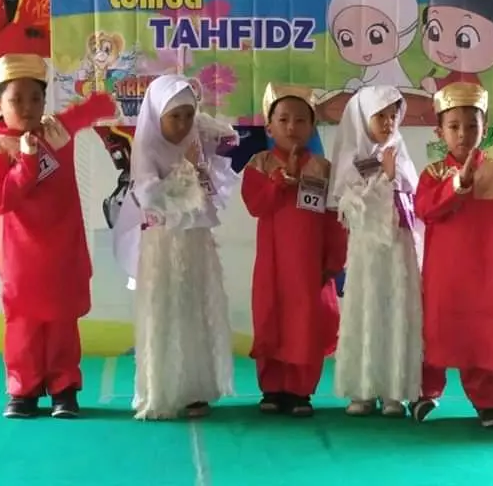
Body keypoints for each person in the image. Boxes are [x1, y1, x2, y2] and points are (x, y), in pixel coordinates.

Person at [0, 53, 118, 419]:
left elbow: (98, 107)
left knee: (62, 321)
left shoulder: (56, 131)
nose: (27, 107)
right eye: (16, 99)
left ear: (45, 102)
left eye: (35, 98)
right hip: (19, 254)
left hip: (62, 250)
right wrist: (27, 162)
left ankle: (63, 388)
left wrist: (109, 78)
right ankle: (23, 391)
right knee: (22, 324)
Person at [409, 81, 493, 428]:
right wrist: (458, 185)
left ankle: (486, 402)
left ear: (485, 128)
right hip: (443, 274)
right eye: (454, 126)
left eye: (472, 125)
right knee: (436, 330)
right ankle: (426, 392)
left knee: (480, 334)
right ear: (439, 131)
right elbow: (425, 209)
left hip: (484, 273)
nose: (463, 134)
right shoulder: (433, 174)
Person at [112, 74, 237, 420]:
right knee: (165, 313)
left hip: (195, 242)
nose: (183, 124)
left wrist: (203, 156)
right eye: (174, 116)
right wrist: (189, 169)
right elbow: (151, 195)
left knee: (195, 312)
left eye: (188, 115)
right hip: (163, 246)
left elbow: (217, 173)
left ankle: (195, 388)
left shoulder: (196, 139)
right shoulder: (147, 148)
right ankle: (162, 389)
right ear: (157, 116)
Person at [242, 83, 347, 417]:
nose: (292, 127)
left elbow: (335, 218)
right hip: (273, 265)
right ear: (269, 127)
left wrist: (334, 260)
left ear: (312, 126)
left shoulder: (322, 168)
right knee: (270, 319)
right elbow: (255, 205)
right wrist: (278, 182)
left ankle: (301, 391)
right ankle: (272, 388)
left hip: (309, 264)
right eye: (283, 119)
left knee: (306, 323)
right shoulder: (259, 164)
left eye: (301, 120)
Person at [328, 85, 423, 417]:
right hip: (367, 250)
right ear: (362, 118)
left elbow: (413, 197)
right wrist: (382, 179)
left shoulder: (400, 153)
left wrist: (394, 176)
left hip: (398, 249)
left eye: (393, 115)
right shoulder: (351, 159)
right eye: (379, 115)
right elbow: (348, 206)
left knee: (396, 309)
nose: (388, 122)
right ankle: (363, 389)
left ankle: (395, 391)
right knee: (365, 309)